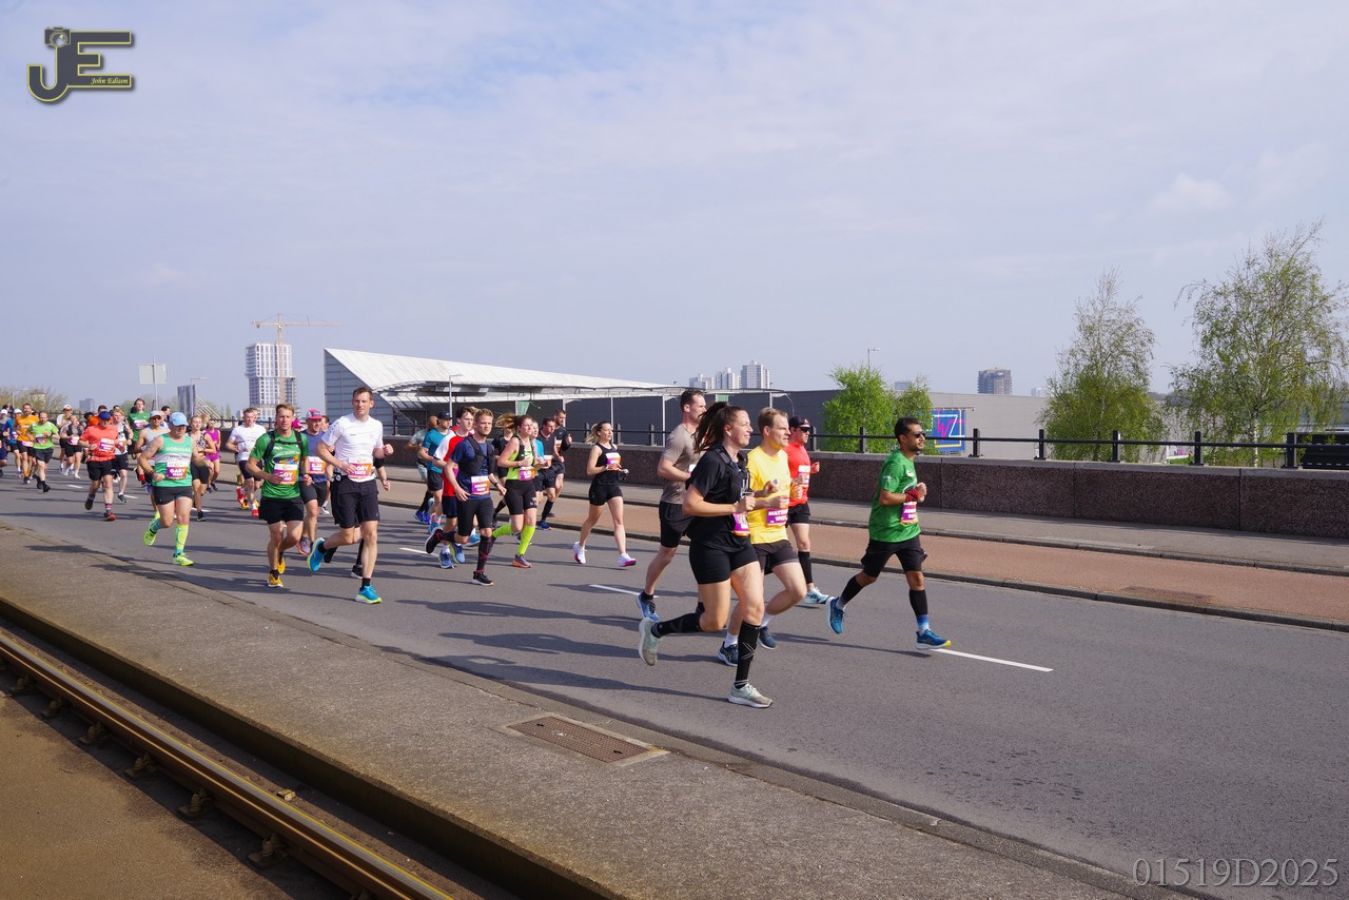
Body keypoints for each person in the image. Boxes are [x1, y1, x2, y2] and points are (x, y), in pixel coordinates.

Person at [636, 403, 774, 708]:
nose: (750, 429)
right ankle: (656, 629)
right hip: (710, 546)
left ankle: (741, 686)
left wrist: (761, 497)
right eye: (745, 424)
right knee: (714, 621)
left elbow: (736, 498)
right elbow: (690, 505)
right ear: (728, 428)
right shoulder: (712, 460)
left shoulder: (740, 460)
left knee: (754, 608)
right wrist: (735, 507)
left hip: (740, 542)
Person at [828, 417, 951, 650]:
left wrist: (916, 491)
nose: (922, 438)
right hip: (886, 531)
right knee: (869, 576)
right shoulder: (895, 462)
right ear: (903, 438)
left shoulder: (909, 460)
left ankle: (923, 631)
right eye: (917, 435)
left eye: (923, 434)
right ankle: (838, 604)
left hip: (908, 530)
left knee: (917, 579)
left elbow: (904, 492)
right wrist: (912, 496)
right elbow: (885, 498)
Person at [719, 408, 805, 662]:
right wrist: (768, 501)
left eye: (788, 429)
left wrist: (792, 490)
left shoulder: (783, 457)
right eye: (782, 428)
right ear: (767, 431)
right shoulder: (752, 460)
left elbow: (781, 491)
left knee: (798, 590)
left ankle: (762, 622)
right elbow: (742, 503)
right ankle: (729, 643)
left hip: (778, 535)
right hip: (754, 537)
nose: (788, 433)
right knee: (750, 600)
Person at [306, 387, 394, 604]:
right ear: (352, 402)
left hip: (368, 483)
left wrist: (385, 451)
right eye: (356, 401)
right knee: (349, 537)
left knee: (371, 534)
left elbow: (376, 451)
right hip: (344, 483)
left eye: (364, 401)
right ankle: (322, 547)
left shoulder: (376, 425)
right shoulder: (342, 423)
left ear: (371, 403)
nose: (359, 405)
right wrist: (340, 464)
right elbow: (321, 448)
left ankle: (366, 586)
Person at [635, 389, 706, 620]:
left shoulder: (702, 434)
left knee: (705, 551)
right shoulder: (678, 436)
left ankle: (703, 606)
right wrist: (690, 478)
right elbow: (663, 469)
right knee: (667, 553)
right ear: (687, 408)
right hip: (675, 503)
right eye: (700, 406)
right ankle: (646, 596)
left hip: (697, 503)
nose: (704, 410)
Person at [246, 404, 309, 589]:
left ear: (293, 419)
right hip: (272, 495)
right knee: (276, 536)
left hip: (293, 494)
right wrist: (267, 476)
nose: (284, 420)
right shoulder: (266, 439)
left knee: (295, 537)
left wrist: (305, 474)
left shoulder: (301, 439)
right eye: (281, 416)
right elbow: (250, 465)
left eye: (288, 417)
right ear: (276, 418)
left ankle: (279, 552)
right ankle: (273, 573)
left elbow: (304, 460)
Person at [440, 408, 499, 585]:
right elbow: (448, 467)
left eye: (489, 423)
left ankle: (479, 573)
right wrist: (457, 488)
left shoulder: (490, 447)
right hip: (467, 496)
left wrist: (499, 485)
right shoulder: (464, 445)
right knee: (463, 538)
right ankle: (440, 536)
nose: (487, 426)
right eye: (483, 423)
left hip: (484, 496)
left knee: (487, 532)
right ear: (476, 424)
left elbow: (488, 473)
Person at [139, 412, 204, 567]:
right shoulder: (161, 440)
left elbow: (196, 459)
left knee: (183, 517)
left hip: (184, 483)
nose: (181, 429)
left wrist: (204, 465)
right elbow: (142, 458)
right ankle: (153, 527)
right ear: (170, 425)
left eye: (183, 426)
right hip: (164, 485)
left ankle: (178, 554)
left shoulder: (189, 441)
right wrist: (152, 473)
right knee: (167, 522)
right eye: (178, 426)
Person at [785, 416, 835, 607]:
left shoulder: (802, 449)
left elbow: (799, 473)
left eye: (808, 430)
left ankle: (810, 589)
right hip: (783, 504)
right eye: (804, 430)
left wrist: (811, 470)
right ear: (792, 430)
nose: (808, 433)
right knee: (772, 548)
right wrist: (793, 482)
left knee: (804, 543)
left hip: (800, 503)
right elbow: (777, 476)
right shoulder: (784, 450)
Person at [572, 422, 636, 568]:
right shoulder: (596, 449)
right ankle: (580, 546)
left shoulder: (614, 447)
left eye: (611, 430)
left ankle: (623, 555)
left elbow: (613, 467)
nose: (610, 432)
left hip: (613, 487)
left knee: (619, 521)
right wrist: (606, 467)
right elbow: (590, 470)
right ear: (599, 432)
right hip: (599, 488)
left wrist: (620, 470)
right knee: (592, 520)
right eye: (607, 430)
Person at [489, 414, 542, 568]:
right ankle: (494, 535)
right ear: (519, 428)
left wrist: (540, 464)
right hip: (514, 486)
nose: (530, 428)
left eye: (531, 426)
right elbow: (501, 462)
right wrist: (519, 462)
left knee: (531, 520)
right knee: (517, 527)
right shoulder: (515, 441)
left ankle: (520, 556)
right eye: (527, 426)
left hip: (529, 484)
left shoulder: (532, 443)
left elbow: (531, 466)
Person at [298, 409, 331, 556]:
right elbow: (295, 458)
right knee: (311, 511)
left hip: (321, 479)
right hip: (305, 479)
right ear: (307, 421)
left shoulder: (326, 437)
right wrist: (304, 473)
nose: (317, 423)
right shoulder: (300, 437)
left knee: (314, 514)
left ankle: (304, 536)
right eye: (313, 421)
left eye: (319, 420)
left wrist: (330, 475)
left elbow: (331, 457)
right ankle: (312, 545)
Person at [80, 411, 121, 520]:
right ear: (99, 419)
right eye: (103, 420)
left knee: (108, 483)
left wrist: (120, 445)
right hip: (94, 459)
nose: (105, 422)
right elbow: (81, 441)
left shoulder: (114, 429)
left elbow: (115, 441)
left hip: (109, 459)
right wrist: (89, 445)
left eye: (107, 420)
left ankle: (108, 511)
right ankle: (91, 496)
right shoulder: (91, 429)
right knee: (95, 484)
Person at [228, 408, 267, 514]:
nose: (249, 419)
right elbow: (228, 444)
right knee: (250, 483)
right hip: (243, 458)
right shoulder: (238, 430)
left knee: (257, 485)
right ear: (243, 418)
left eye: (251, 417)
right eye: (247, 417)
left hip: (257, 458)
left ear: (255, 418)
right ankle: (254, 507)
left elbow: (266, 443)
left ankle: (242, 491)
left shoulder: (261, 429)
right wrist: (236, 448)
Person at [415, 415, 449, 529]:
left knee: (444, 500)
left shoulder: (451, 434)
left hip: (448, 469)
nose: (448, 422)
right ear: (439, 421)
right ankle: (433, 522)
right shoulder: (431, 434)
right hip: (434, 469)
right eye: (445, 420)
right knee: (439, 498)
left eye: (449, 420)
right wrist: (434, 460)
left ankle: (431, 508)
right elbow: (422, 453)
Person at [188, 415, 217, 521]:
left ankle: (194, 500)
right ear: (191, 423)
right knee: (196, 487)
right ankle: (199, 513)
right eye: (195, 422)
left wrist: (202, 449)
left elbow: (213, 450)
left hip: (202, 463)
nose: (197, 424)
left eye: (199, 422)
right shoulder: (186, 436)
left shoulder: (205, 435)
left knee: (201, 490)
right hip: (191, 463)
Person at [26, 410, 59, 493]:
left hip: (48, 448)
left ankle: (39, 479)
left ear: (47, 418)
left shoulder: (50, 425)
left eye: (44, 417)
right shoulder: (34, 425)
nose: (42, 419)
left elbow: (58, 436)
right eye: (41, 417)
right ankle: (44, 485)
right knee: (41, 465)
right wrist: (31, 438)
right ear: (38, 417)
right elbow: (28, 432)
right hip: (37, 448)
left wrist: (50, 435)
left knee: (44, 467)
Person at [14, 403, 37, 483]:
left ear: (31, 409)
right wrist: (17, 430)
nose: (26, 410)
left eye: (28, 408)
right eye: (25, 408)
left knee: (31, 460)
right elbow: (15, 426)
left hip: (31, 441)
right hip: (21, 439)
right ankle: (26, 476)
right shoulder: (18, 418)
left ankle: (28, 473)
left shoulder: (35, 418)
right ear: (23, 409)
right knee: (24, 457)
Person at [60, 408, 83, 478]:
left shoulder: (81, 427)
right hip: (69, 444)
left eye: (74, 419)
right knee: (70, 461)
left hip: (78, 444)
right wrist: (68, 437)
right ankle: (66, 468)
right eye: (71, 419)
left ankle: (76, 473)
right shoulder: (67, 427)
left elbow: (85, 435)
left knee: (78, 458)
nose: (73, 420)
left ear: (77, 420)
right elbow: (62, 435)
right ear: (70, 420)